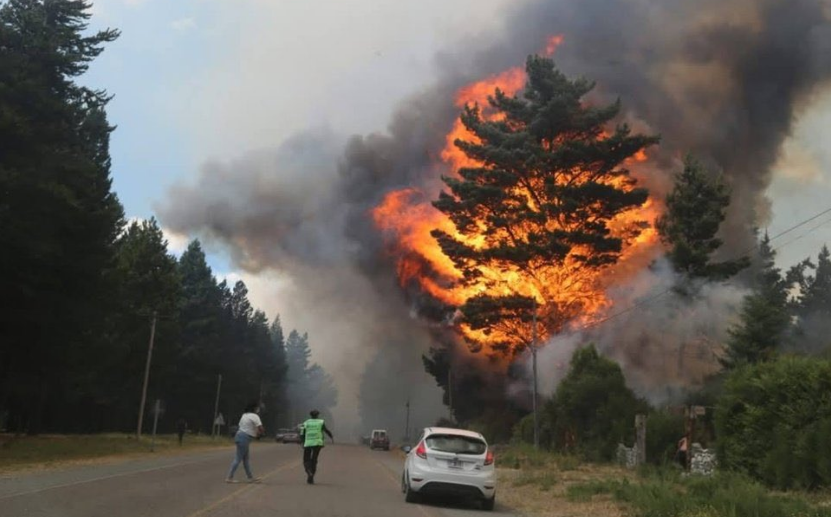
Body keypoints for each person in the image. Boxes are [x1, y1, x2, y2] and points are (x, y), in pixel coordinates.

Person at [226, 403, 264, 483]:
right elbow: (260, 428)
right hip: (244, 438)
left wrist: (256, 434)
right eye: (257, 408)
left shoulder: (244, 415)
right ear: (254, 408)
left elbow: (242, 426)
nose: (258, 410)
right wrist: (260, 434)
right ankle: (229, 477)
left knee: (245, 459)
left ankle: (250, 478)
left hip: (239, 436)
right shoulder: (255, 416)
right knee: (238, 458)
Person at [300, 409, 334, 484]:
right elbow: (326, 430)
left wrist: (302, 442)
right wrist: (331, 436)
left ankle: (309, 472)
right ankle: (312, 476)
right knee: (314, 459)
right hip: (318, 443)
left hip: (308, 442)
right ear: (317, 415)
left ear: (310, 415)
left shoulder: (306, 422)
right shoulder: (321, 422)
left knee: (306, 459)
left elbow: (302, 433)